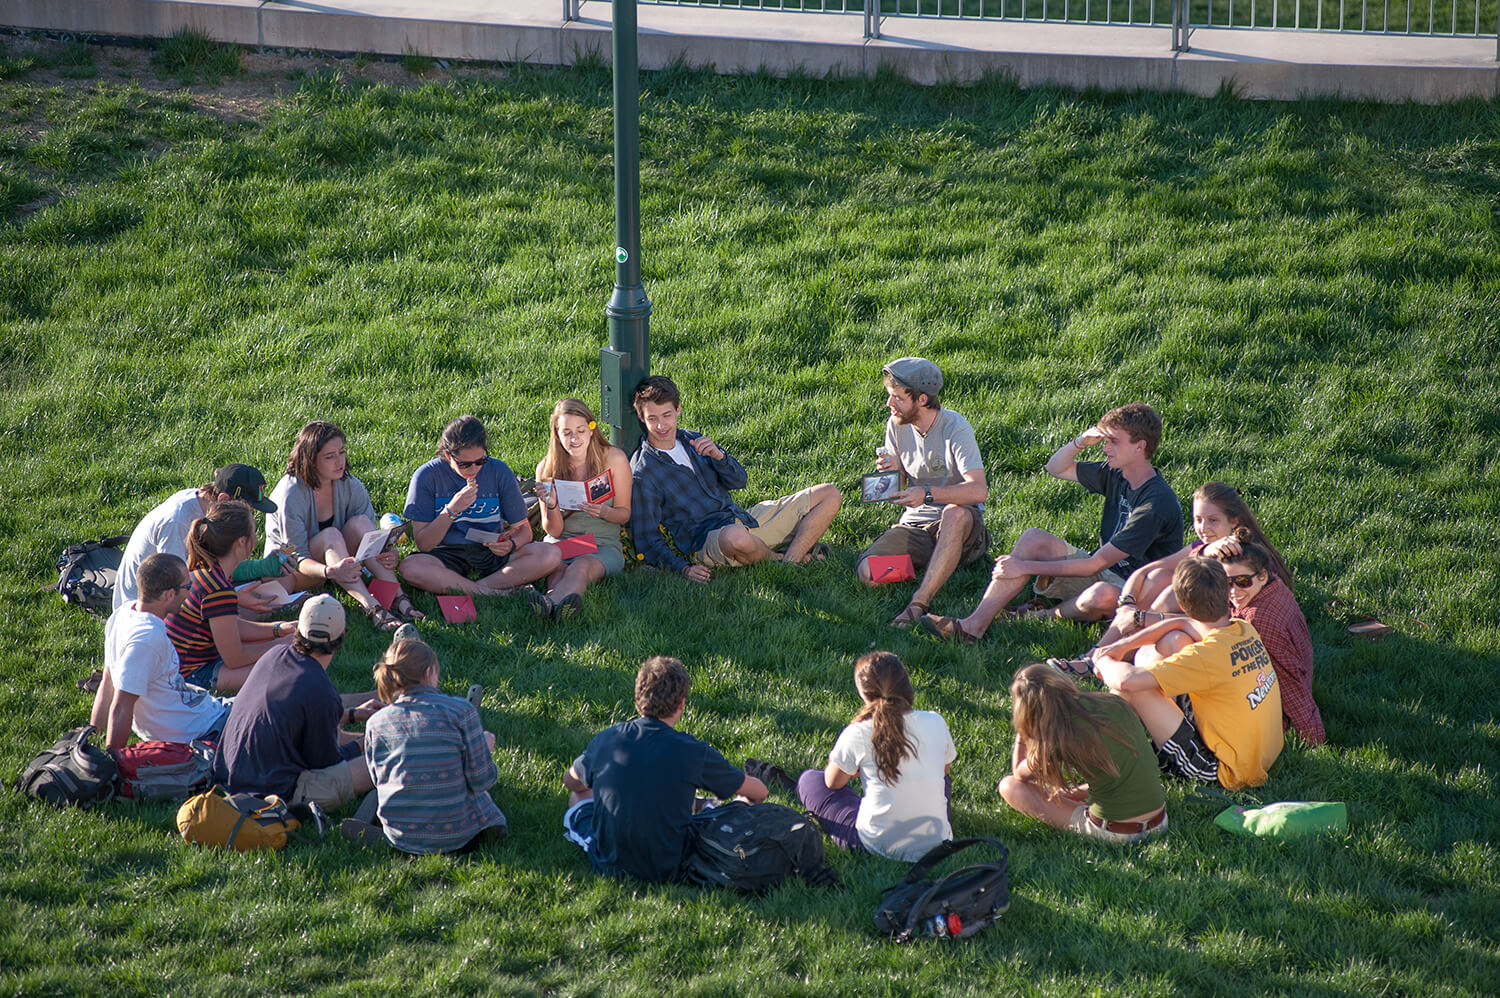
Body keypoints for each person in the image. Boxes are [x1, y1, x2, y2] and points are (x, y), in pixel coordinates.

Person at [921, 403, 1182, 644]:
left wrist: (1022, 566)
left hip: (1133, 592)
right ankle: (973, 626)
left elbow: (1095, 564)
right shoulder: (1115, 473)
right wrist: (1079, 442)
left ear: (1140, 446)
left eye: (1113, 442)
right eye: (1105, 440)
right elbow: (1055, 468)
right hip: (1103, 571)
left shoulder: (1155, 504)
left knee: (1102, 594)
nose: (1105, 448)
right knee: (1034, 537)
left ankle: (1038, 616)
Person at [561, 655, 768, 883]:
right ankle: (703, 805)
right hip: (671, 864)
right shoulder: (693, 751)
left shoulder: (607, 739)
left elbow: (571, 782)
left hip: (609, 864)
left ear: (637, 698)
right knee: (739, 803)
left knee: (578, 796)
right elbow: (760, 792)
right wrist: (745, 798)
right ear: (681, 704)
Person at [1046, 481, 1282, 676]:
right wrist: (1127, 603)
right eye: (1198, 519)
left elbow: (1227, 616)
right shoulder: (1203, 546)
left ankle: (1097, 659)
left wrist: (1142, 617)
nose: (1203, 528)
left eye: (1213, 520)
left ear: (1234, 521)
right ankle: (1099, 656)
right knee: (1160, 576)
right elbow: (1145, 571)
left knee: (1171, 591)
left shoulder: (1242, 557)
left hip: (1229, 633)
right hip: (1192, 621)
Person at [1092, 557, 1284, 790]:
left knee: (1137, 690)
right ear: (1227, 593)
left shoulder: (1203, 658)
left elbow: (1126, 681)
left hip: (1224, 771)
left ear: (1182, 604)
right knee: (1174, 640)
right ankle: (1111, 740)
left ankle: (1102, 751)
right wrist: (1124, 646)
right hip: (1259, 752)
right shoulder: (1244, 629)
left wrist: (1102, 660)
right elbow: (1184, 624)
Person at [629, 376, 841, 584]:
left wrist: (719, 457)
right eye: (652, 419)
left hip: (743, 518)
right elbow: (647, 539)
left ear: (678, 410)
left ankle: (790, 559)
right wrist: (683, 568)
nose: (661, 426)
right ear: (641, 418)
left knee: (829, 493)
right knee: (736, 537)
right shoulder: (644, 472)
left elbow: (739, 481)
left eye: (666, 415)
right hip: (711, 540)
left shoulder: (691, 439)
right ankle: (782, 558)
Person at [855, 358, 990, 629]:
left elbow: (978, 490)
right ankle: (938, 566)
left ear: (923, 399)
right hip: (916, 525)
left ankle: (919, 601)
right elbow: (901, 486)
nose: (889, 404)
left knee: (954, 514)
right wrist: (895, 473)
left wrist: (927, 494)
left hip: (960, 527)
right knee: (868, 572)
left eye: (896, 398)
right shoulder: (896, 424)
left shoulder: (956, 428)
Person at [212, 594, 381, 810]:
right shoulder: (321, 692)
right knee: (383, 758)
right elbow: (327, 765)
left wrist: (351, 714)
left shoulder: (273, 655)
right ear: (343, 636)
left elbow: (297, 716)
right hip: (271, 796)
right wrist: (363, 744)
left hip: (229, 779)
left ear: (298, 630)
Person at [340, 637, 507, 854]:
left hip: (401, 836)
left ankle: (373, 828)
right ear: (429, 672)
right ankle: (486, 829)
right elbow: (482, 780)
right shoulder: (462, 711)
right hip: (460, 837)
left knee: (375, 795)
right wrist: (484, 750)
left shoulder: (375, 723)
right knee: (481, 797)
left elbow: (378, 779)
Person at [790, 651, 956, 861]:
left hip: (877, 845)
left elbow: (832, 782)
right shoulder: (935, 721)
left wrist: (855, 767)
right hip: (937, 841)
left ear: (865, 695)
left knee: (810, 780)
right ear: (906, 685)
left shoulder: (859, 731)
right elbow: (944, 771)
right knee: (941, 780)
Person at [266, 420, 422, 633]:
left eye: (341, 452)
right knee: (330, 535)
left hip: (338, 562)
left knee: (361, 524)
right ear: (310, 461)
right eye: (330, 457)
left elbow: (370, 537)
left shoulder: (349, 484)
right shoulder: (290, 494)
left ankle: (397, 596)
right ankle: (372, 607)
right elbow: (294, 557)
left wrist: (387, 552)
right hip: (292, 571)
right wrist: (330, 571)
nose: (339, 461)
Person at [399, 416, 559, 612]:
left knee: (550, 553)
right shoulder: (427, 476)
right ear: (448, 456)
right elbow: (424, 543)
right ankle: (495, 591)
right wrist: (451, 510)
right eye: (465, 464)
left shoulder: (498, 471)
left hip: (490, 552)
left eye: (480, 461)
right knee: (410, 567)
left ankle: (473, 588)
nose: (473, 469)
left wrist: (511, 544)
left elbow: (524, 531)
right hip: (445, 554)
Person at [998, 664, 1167, 844]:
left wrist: (1024, 729)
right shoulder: (1114, 702)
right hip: (1160, 821)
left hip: (1116, 833)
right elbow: (1115, 775)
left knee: (1009, 786)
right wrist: (1071, 793)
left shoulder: (1055, 737)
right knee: (1073, 792)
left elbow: (1019, 773)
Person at [89, 553, 230, 751]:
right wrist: (112, 764)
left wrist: (86, 739)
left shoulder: (122, 614)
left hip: (209, 711)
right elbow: (121, 706)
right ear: (169, 595)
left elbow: (108, 683)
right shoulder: (147, 640)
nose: (190, 594)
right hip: (206, 730)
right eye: (187, 588)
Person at [164, 501, 296, 693]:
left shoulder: (207, 572)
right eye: (254, 530)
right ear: (242, 541)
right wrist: (283, 645)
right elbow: (235, 658)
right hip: (192, 676)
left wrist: (279, 629)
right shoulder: (218, 588)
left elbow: (229, 626)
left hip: (182, 667)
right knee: (286, 667)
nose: (256, 536)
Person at [113, 464, 281, 612]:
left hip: (183, 592)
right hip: (145, 612)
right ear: (223, 499)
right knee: (244, 614)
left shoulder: (206, 504)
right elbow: (177, 589)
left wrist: (262, 569)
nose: (249, 516)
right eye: (247, 510)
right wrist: (233, 598)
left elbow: (213, 568)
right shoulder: (177, 522)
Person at [1214, 530, 1325, 746]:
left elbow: (1288, 681)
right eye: (1226, 583)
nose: (1234, 592)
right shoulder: (1274, 586)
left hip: (1267, 710)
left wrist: (1311, 735)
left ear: (1262, 575)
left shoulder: (1257, 623)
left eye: (1243, 581)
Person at [534, 399, 633, 621]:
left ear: (591, 429)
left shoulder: (614, 459)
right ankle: (558, 607)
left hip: (602, 544)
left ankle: (547, 603)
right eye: (566, 432)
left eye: (580, 430)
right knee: (559, 568)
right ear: (557, 435)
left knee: (581, 566)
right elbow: (554, 531)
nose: (574, 438)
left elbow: (624, 513)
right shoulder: (547, 468)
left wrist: (604, 512)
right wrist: (552, 503)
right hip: (563, 542)